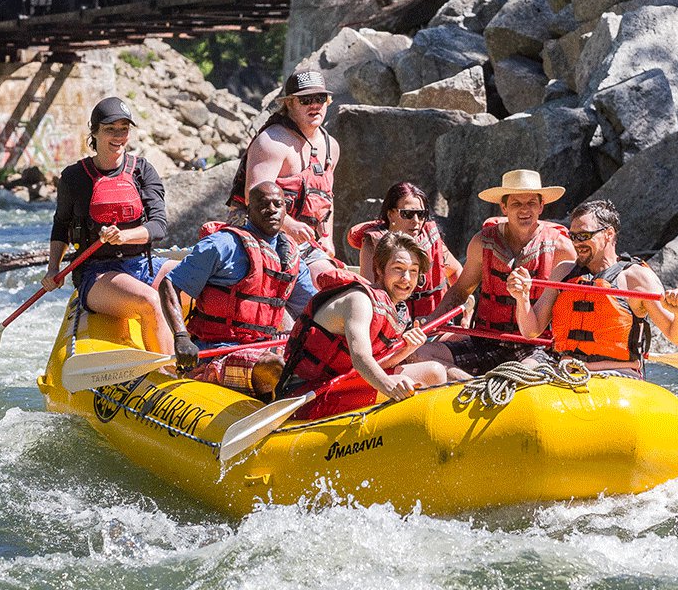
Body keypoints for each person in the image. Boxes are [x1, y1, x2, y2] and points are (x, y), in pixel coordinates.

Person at [275, 232, 470, 419]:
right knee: (410, 380)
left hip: (339, 383)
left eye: (413, 271)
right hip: (307, 394)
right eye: (398, 269)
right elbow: (361, 359)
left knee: (434, 372)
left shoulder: (396, 310)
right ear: (379, 269)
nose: (406, 279)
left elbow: (375, 363)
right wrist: (387, 385)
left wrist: (408, 349)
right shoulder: (359, 300)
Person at [155, 182, 318, 397]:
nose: (271, 210)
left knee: (306, 363)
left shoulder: (290, 257)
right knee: (276, 367)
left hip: (265, 347)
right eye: (263, 204)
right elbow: (169, 285)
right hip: (216, 353)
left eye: (278, 204)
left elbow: (313, 308)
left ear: (285, 210)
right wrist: (181, 337)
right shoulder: (222, 244)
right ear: (249, 212)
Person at [42, 96, 173, 354]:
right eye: (110, 129)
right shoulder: (73, 178)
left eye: (123, 129)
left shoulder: (143, 171)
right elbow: (61, 225)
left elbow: (159, 226)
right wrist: (52, 269)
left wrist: (124, 237)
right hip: (97, 272)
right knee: (148, 300)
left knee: (202, 282)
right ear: (94, 132)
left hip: (143, 264)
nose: (118, 136)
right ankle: (168, 370)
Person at [506, 199, 678, 378]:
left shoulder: (636, 278)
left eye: (584, 236)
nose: (577, 243)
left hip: (617, 375)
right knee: (524, 369)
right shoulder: (563, 271)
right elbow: (531, 331)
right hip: (567, 372)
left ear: (608, 234)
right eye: (573, 236)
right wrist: (521, 298)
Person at [419, 169, 577, 375]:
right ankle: (474, 385)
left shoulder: (561, 248)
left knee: (524, 373)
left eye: (531, 203)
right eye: (516, 204)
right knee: (419, 353)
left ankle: (486, 383)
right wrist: (430, 321)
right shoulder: (482, 242)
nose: (524, 210)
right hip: (486, 340)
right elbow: (460, 291)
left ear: (541, 206)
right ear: (503, 207)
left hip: (538, 347)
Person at [226, 70, 341, 276]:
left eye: (320, 98)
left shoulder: (331, 146)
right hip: (259, 230)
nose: (314, 105)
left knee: (331, 280)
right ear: (289, 103)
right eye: (306, 100)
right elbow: (253, 197)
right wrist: (289, 225)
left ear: (328, 101)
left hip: (306, 242)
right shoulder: (271, 141)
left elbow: (327, 199)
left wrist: (327, 238)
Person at [347, 182, 462, 319]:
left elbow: (455, 271)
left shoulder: (431, 237)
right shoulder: (372, 245)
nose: (416, 221)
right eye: (407, 214)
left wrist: (465, 310)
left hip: (435, 323)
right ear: (391, 214)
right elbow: (371, 296)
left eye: (421, 214)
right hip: (394, 328)